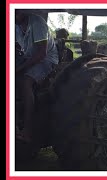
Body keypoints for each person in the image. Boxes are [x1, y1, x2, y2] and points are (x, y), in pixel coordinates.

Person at [15, 10, 59, 143]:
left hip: (46, 60)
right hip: (28, 57)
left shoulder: (37, 23)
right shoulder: (15, 25)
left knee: (26, 81)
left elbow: (41, 53)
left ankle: (27, 130)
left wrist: (18, 69)